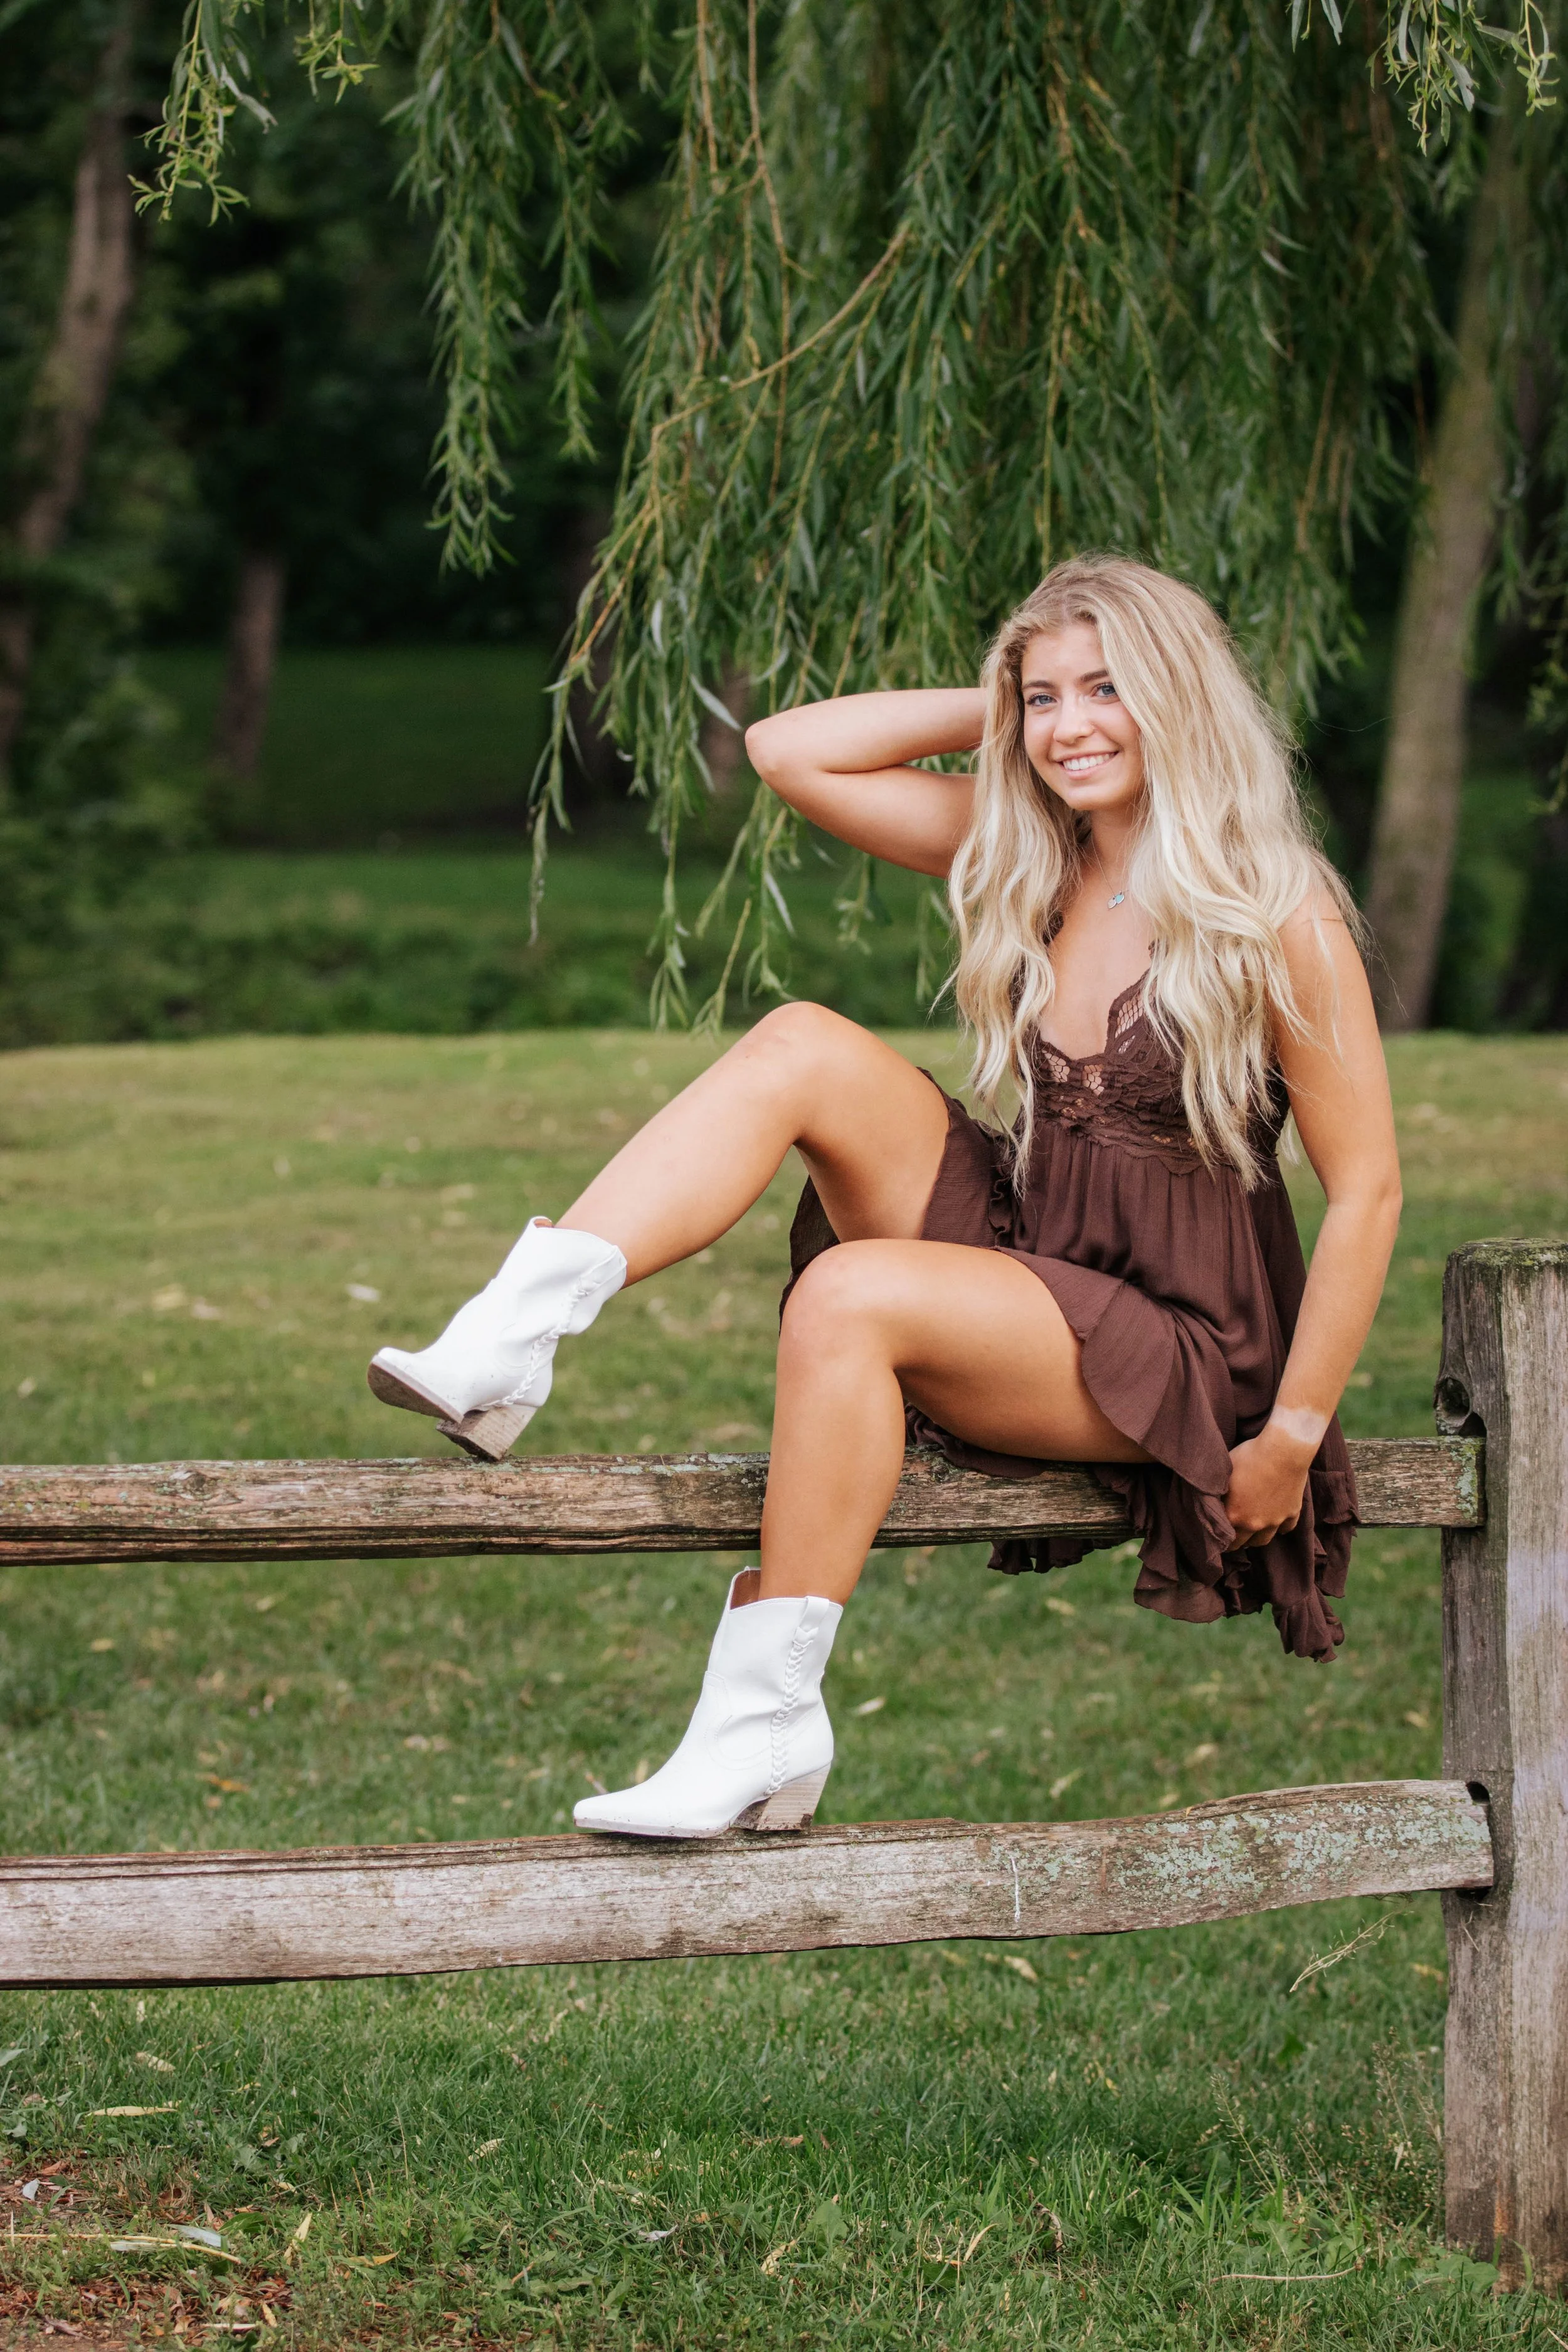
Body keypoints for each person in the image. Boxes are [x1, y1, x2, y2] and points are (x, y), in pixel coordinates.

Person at [368, 554, 1401, 1842]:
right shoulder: (1031, 845)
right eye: (1044, 699)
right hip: (1034, 1250)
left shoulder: (1273, 908)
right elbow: (787, 750)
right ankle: (512, 1338)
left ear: (1180, 696)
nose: (1068, 725)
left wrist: (1293, 1434)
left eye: (1106, 691)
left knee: (847, 1296)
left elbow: (1364, 1192)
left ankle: (765, 1718)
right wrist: (1004, 711)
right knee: (800, 1039)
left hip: (1175, 1338)